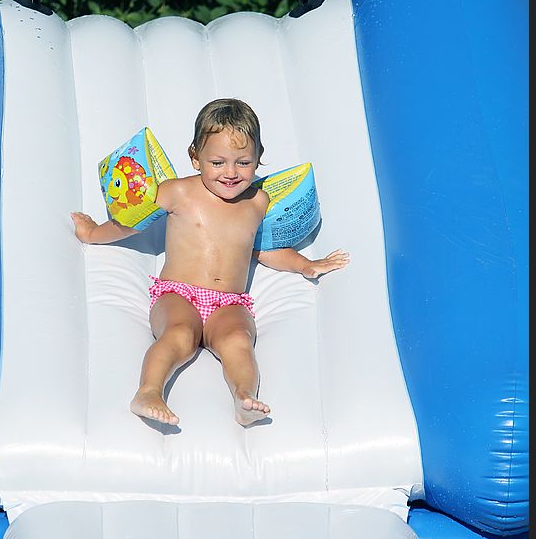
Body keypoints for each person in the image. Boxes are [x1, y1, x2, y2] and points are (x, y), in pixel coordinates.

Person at [71, 98, 349, 427]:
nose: (230, 173)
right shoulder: (177, 192)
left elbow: (263, 248)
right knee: (178, 336)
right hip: (177, 293)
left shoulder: (258, 202)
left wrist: (305, 264)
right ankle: (148, 391)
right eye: (218, 162)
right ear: (195, 157)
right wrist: (91, 233)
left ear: (258, 159)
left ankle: (244, 397)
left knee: (239, 340)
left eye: (243, 162)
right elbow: (133, 222)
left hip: (229, 302)